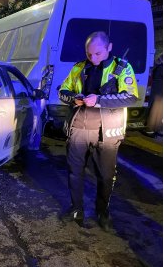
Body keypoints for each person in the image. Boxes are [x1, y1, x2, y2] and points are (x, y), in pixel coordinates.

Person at [58, 31, 139, 232]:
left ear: (109, 47)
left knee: (105, 176)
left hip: (108, 132)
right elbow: (62, 91)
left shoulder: (122, 68)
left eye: (98, 53)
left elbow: (131, 97)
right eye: (89, 54)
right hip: (79, 128)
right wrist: (73, 98)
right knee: (74, 172)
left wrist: (99, 100)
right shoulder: (79, 67)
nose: (93, 58)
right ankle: (76, 210)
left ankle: (103, 213)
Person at [143, 53, 163, 138]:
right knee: (157, 108)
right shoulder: (161, 60)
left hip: (158, 87)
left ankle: (152, 129)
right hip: (158, 87)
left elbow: (153, 68)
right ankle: (153, 129)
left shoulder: (161, 60)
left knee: (156, 108)